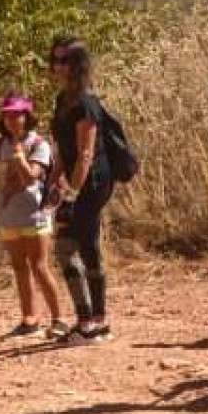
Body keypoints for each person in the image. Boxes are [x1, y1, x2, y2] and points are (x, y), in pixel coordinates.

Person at [48, 38, 122, 344]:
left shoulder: (86, 102)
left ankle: (97, 322)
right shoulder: (62, 100)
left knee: (87, 245)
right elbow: (64, 151)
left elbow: (86, 154)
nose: (57, 66)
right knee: (66, 246)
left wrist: (73, 194)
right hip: (74, 183)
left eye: (64, 60)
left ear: (79, 64)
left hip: (92, 183)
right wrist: (55, 181)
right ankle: (86, 318)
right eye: (54, 60)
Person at [0, 92, 65, 339]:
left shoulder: (39, 144)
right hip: (9, 214)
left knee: (39, 266)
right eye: (8, 115)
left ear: (27, 116)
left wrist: (21, 157)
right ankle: (29, 319)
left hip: (35, 214)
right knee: (19, 267)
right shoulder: (0, 143)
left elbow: (33, 176)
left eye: (17, 115)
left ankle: (58, 319)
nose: (12, 120)